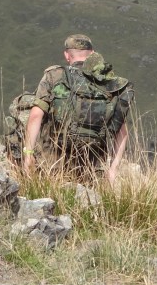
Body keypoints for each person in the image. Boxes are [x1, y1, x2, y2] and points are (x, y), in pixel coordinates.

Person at [21, 34, 132, 184]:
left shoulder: (55, 76)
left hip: (53, 167)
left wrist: (28, 154)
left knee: (20, 106)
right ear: (92, 54)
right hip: (92, 171)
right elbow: (122, 132)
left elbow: (36, 116)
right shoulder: (108, 84)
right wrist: (113, 170)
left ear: (67, 55)